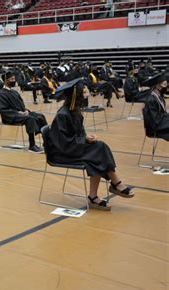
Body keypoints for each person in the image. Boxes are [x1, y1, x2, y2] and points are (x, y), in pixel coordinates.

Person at [49, 79, 135, 211]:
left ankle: (96, 195)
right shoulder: (63, 115)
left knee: (99, 148)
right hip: (62, 153)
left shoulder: (74, 112)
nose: (87, 95)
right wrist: (84, 140)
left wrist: (86, 138)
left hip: (73, 147)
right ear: (76, 95)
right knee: (98, 151)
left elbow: (78, 134)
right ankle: (114, 184)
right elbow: (63, 142)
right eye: (84, 92)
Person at [0, 71, 47, 153]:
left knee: (40, 116)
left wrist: (26, 110)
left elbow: (21, 105)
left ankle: (46, 142)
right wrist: (18, 113)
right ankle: (32, 145)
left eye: (14, 79)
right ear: (5, 81)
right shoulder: (1, 94)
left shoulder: (14, 92)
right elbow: (3, 110)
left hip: (21, 114)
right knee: (30, 119)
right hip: (10, 117)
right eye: (11, 79)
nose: (14, 81)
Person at [142, 73, 168, 140]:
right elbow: (154, 120)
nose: (166, 87)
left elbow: (162, 114)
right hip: (155, 127)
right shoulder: (151, 100)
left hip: (161, 123)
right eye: (164, 85)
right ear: (157, 86)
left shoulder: (159, 97)